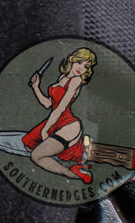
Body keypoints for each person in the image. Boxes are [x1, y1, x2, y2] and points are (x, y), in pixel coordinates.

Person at [23, 48, 98, 183]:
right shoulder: (62, 77)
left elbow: (61, 107)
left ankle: (75, 173)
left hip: (68, 124)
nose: (81, 68)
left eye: (86, 66)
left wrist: (45, 129)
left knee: (36, 156)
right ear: (72, 60)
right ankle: (75, 148)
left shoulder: (76, 81)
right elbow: (48, 104)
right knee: (28, 144)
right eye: (79, 62)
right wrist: (36, 87)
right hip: (55, 120)